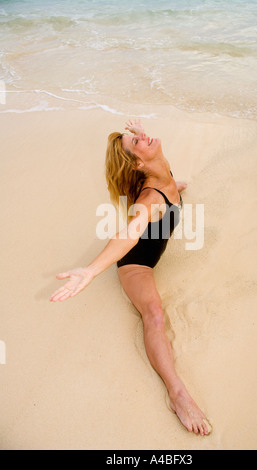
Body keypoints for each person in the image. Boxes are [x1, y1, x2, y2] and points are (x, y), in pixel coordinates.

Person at [50, 119, 211, 436]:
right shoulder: (149, 200)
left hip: (162, 195)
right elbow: (129, 234)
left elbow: (152, 168)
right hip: (136, 263)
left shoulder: (160, 170)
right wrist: (92, 270)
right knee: (154, 314)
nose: (144, 137)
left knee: (174, 187)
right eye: (137, 142)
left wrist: (140, 138)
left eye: (138, 136)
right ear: (139, 163)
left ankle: (175, 191)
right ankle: (176, 392)